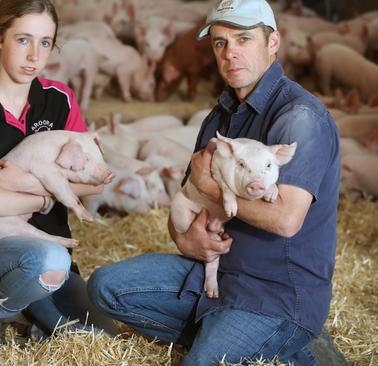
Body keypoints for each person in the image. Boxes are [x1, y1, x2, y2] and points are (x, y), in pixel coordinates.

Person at [87, 0, 340, 364]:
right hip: (215, 276)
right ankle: (258, 347)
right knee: (105, 288)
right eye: (220, 43)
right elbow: (187, 199)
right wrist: (188, 241)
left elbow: (286, 219)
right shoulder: (219, 118)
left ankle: (275, 338)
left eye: (243, 39)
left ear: (273, 43)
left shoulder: (299, 118)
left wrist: (210, 187)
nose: (230, 53)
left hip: (275, 294)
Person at [0, 0, 117, 339]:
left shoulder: (60, 99)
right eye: (23, 40)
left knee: (99, 337)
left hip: (55, 261)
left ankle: (30, 316)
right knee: (48, 260)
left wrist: (26, 184)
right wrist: (50, 196)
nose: (35, 56)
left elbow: (93, 182)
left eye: (45, 42)